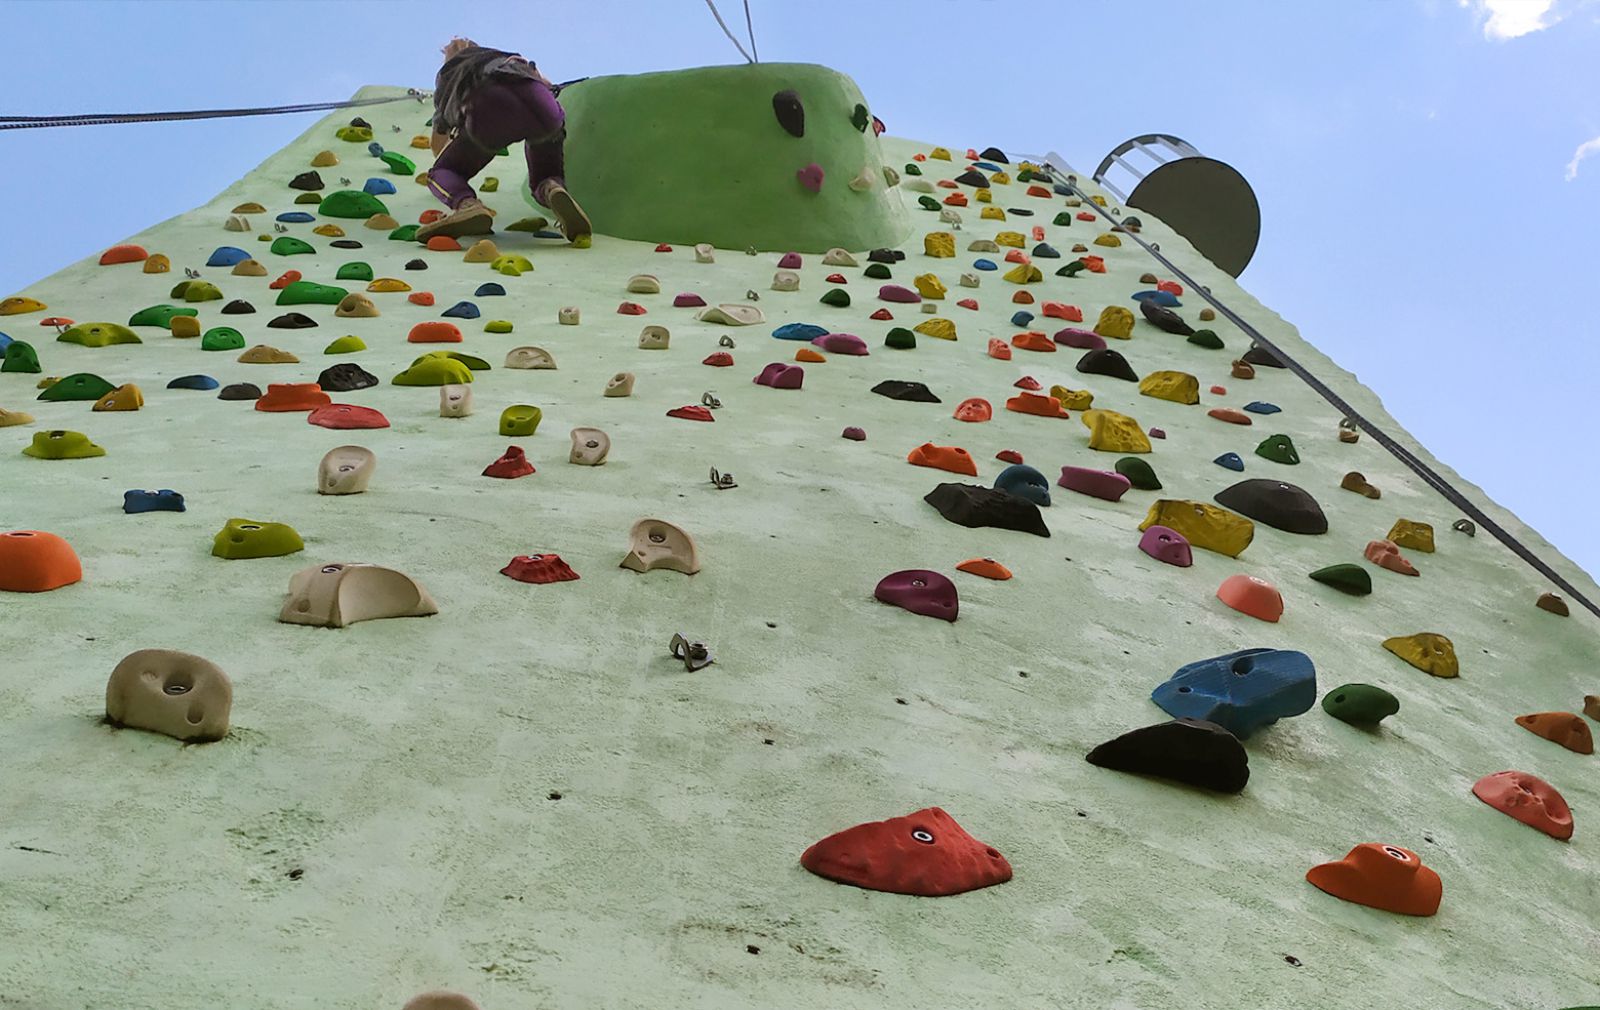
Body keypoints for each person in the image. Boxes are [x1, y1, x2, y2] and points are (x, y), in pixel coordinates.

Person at [419, 38, 592, 244]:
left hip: (490, 104)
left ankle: (467, 206)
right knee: (545, 174)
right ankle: (551, 189)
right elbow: (545, 83)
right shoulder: (505, 56)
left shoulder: (450, 73)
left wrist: (451, 168)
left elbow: (438, 140)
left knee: (441, 172)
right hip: (541, 102)